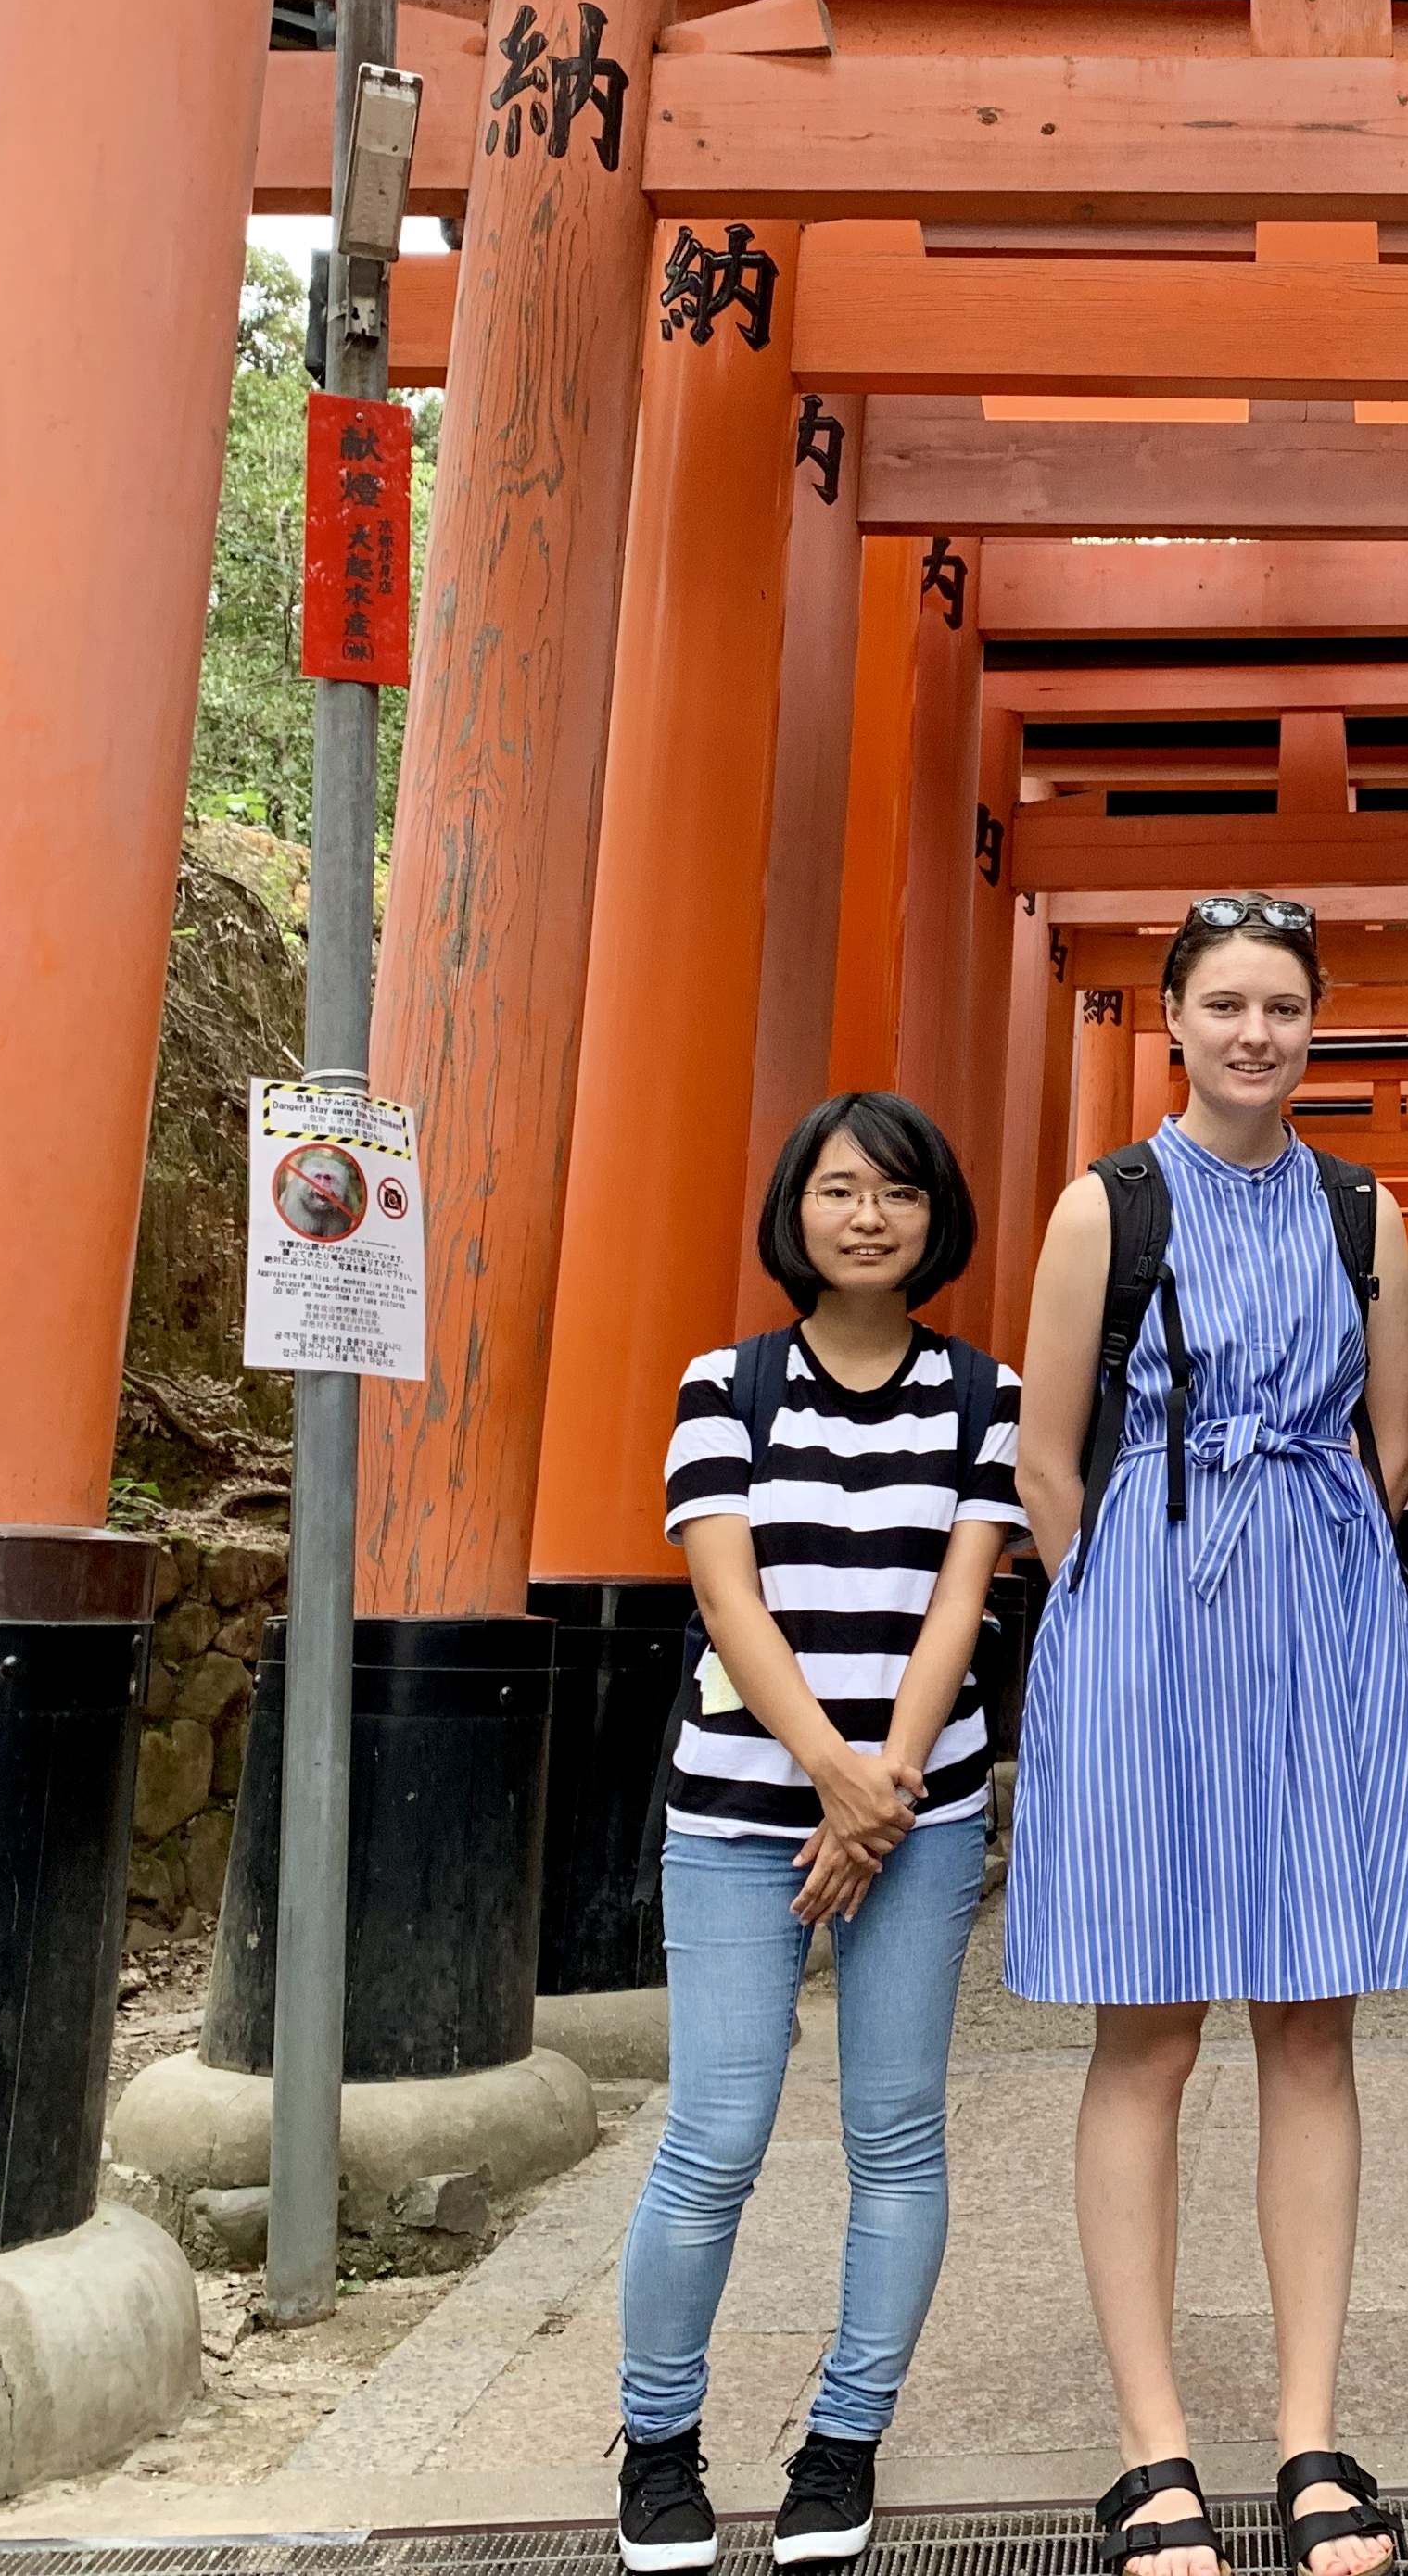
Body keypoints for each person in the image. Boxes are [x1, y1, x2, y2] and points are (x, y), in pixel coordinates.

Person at [1008, 892, 1408, 2576]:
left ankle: (1310, 2429)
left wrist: (1320, 1587)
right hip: (1146, 1624)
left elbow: (1395, 1444)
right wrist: (1135, 1609)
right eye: (1225, 1004)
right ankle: (1153, 2446)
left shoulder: (1365, 1209)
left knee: (1312, 2033)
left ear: (1313, 1021)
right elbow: (1050, 1459)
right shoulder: (1103, 1206)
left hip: (1329, 1619)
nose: (1256, 1032)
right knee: (1145, 2039)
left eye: (1284, 1005)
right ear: (1174, 1021)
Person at [615, 1093, 1023, 2576]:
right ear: (794, 1208)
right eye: (841, 1189)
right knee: (713, 2134)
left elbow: (962, 1602)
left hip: (919, 1811)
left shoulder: (987, 1395)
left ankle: (842, 2441)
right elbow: (729, 1597)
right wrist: (832, 1781)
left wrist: (887, 1788)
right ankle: (658, 2442)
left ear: (937, 1220)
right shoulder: (724, 1386)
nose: (869, 1216)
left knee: (895, 2138)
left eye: (899, 1193)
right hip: (737, 1808)